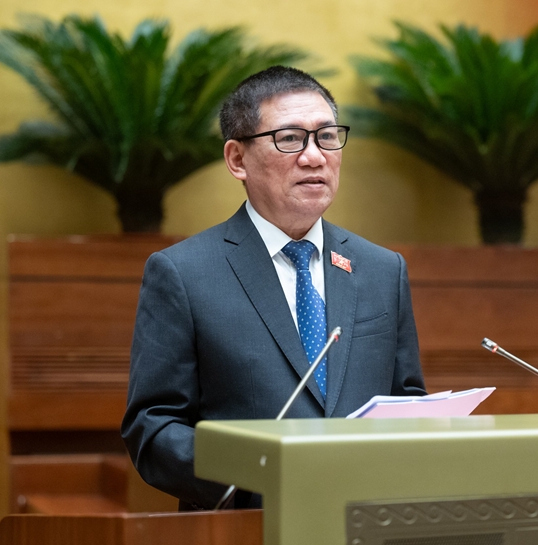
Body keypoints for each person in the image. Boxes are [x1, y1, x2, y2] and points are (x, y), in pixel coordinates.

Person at [121, 66, 427, 510]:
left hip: (366, 521)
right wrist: (259, 471)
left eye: (327, 136)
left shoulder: (381, 269)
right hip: (250, 524)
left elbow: (407, 402)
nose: (314, 157)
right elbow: (153, 428)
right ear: (237, 159)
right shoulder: (183, 274)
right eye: (290, 139)